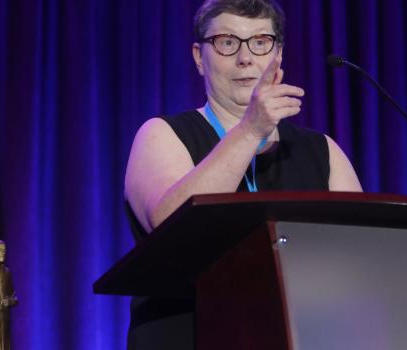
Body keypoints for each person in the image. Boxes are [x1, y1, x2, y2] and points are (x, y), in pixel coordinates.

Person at [124, 0, 362, 348]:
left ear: (278, 55)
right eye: (227, 42)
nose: (245, 57)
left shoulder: (321, 151)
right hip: (190, 336)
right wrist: (250, 131)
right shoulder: (161, 135)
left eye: (260, 42)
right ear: (197, 56)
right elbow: (173, 225)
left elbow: (359, 252)